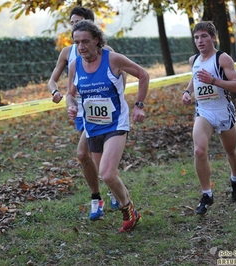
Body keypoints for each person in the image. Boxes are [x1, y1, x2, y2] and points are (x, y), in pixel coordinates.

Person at [66, 19, 149, 232]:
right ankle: (129, 209)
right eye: (77, 42)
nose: (81, 47)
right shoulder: (75, 64)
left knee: (108, 173)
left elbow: (143, 74)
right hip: (93, 126)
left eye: (85, 41)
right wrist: (72, 105)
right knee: (107, 174)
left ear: (96, 40)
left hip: (116, 123)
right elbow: (70, 94)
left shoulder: (112, 59)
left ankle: (128, 210)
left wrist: (139, 105)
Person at [47, 7, 120, 222]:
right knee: (95, 156)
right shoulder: (68, 52)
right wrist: (56, 92)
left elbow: (120, 79)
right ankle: (111, 191)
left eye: (79, 21)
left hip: (103, 113)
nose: (74, 25)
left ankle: (98, 198)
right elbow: (52, 80)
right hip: (80, 112)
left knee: (83, 153)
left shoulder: (107, 51)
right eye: (72, 22)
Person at [182, 21, 236, 215]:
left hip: (223, 111)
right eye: (196, 37)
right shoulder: (194, 60)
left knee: (231, 150)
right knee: (199, 151)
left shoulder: (223, 59)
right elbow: (195, 77)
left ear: (213, 37)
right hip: (204, 112)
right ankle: (207, 194)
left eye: (204, 36)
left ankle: (235, 178)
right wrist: (187, 91)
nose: (200, 41)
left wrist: (214, 81)